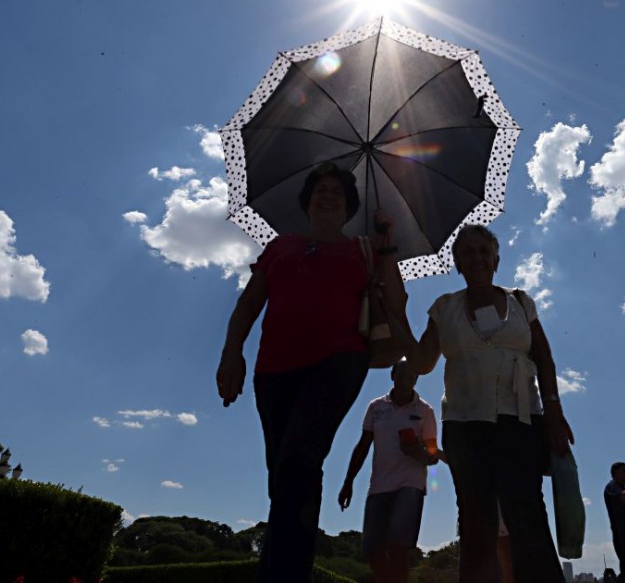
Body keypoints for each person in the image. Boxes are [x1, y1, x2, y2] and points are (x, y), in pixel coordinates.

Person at [216, 162, 408, 583]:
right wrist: (233, 353)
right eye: (320, 190)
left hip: (339, 363)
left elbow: (397, 303)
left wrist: (387, 247)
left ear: (349, 206)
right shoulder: (280, 246)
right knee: (287, 474)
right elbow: (248, 305)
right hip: (274, 370)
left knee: (299, 459)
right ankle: (288, 570)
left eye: (337, 192)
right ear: (307, 201)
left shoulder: (365, 249)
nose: (328, 196)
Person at [403, 224, 572, 582]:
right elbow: (421, 363)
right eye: (468, 252)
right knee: (476, 521)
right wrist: (395, 311)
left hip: (521, 420)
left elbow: (544, 358)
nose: (477, 258)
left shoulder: (521, 302)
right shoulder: (444, 308)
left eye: (484, 251)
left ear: (496, 259)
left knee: (527, 514)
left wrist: (554, 412)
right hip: (465, 426)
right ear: (457, 264)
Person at [337, 359, 439, 583]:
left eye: (411, 376)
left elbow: (432, 455)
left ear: (416, 379)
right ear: (392, 375)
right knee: (372, 549)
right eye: (401, 375)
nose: (406, 380)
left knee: (398, 547)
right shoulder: (376, 407)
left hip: (410, 485)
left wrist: (417, 452)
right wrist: (348, 482)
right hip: (380, 485)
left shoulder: (425, 411)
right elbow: (363, 445)